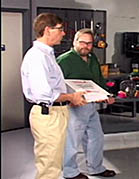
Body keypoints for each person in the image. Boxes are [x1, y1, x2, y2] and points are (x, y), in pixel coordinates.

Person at [20, 13, 87, 179]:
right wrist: (71, 97)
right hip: (48, 114)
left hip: (56, 113)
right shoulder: (37, 57)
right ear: (48, 30)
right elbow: (44, 93)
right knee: (49, 165)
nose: (63, 33)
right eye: (60, 29)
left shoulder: (47, 55)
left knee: (55, 162)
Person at [57, 28, 116, 179]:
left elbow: (98, 80)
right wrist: (68, 98)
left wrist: (107, 94)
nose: (86, 46)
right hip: (75, 106)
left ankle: (95, 168)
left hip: (91, 105)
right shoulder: (64, 60)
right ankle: (70, 172)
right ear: (74, 42)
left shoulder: (92, 58)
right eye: (82, 42)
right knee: (72, 139)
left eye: (89, 43)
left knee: (96, 137)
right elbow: (56, 85)